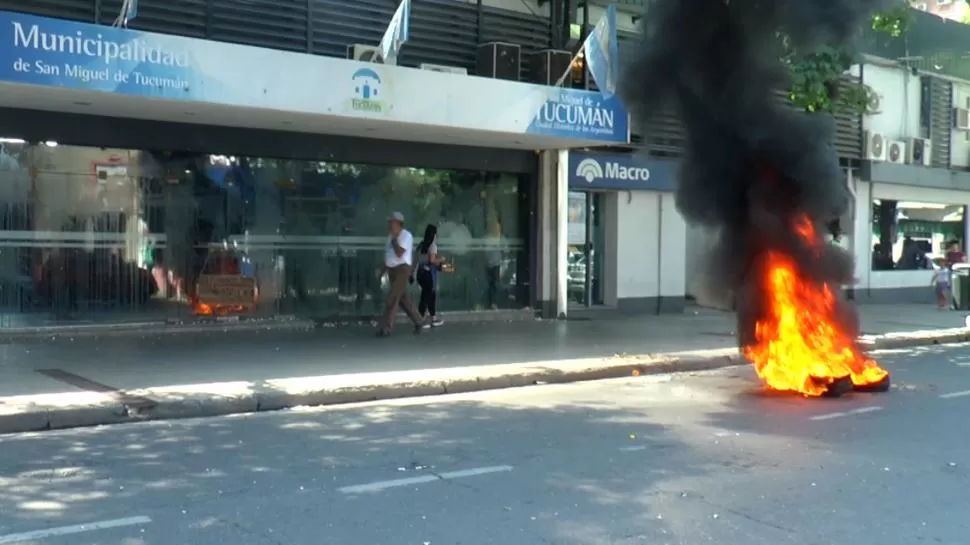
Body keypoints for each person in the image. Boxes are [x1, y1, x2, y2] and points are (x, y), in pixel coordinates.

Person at [377, 212, 423, 337]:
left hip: (402, 270)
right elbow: (388, 256)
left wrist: (394, 240)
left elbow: (399, 253)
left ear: (398, 223)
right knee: (403, 299)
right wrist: (381, 271)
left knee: (392, 298)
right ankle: (419, 320)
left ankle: (386, 327)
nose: (390, 225)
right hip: (392, 270)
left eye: (392, 222)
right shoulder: (390, 236)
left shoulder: (405, 236)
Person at [414, 224, 444, 328]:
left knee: (430, 295)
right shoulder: (432, 246)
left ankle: (433, 318)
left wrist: (411, 273)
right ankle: (419, 319)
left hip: (421, 273)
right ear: (434, 234)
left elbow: (416, 260)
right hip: (429, 274)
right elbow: (432, 260)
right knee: (426, 297)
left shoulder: (421, 245)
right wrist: (441, 259)